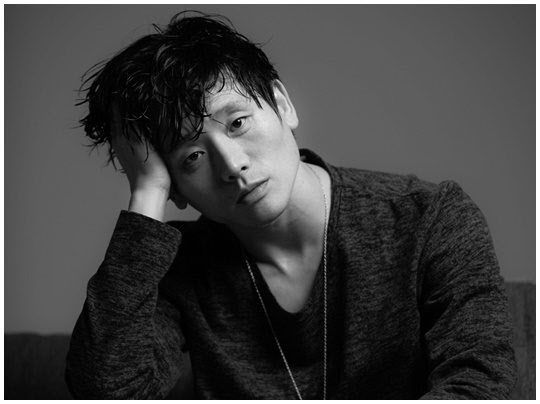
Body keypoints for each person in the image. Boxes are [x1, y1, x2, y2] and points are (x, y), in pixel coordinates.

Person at [65, 11, 517, 399]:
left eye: (237, 123)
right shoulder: (179, 268)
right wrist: (146, 193)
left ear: (282, 105)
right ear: (175, 189)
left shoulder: (429, 217)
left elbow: (480, 384)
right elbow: (107, 392)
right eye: (193, 157)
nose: (232, 166)